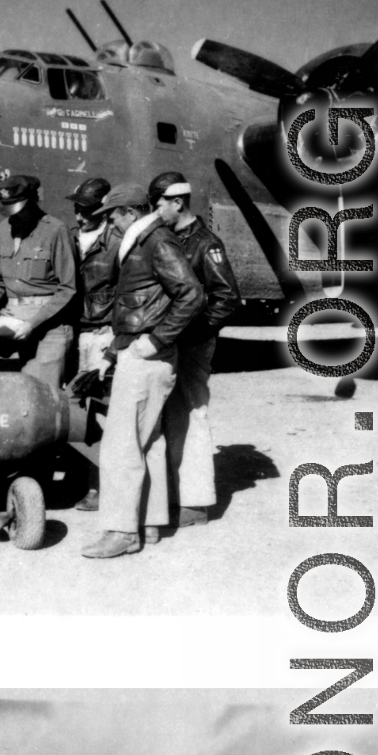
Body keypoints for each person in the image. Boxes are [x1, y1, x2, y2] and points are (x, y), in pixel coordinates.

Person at [81, 183, 205, 560]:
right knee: (147, 441)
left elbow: (192, 294)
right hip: (138, 353)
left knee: (120, 445)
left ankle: (121, 531)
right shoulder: (144, 240)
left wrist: (156, 340)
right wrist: (113, 354)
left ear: (132, 213)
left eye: (113, 216)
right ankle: (149, 523)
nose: (111, 224)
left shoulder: (155, 242)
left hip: (148, 356)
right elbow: (137, 306)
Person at [151, 171, 241, 527]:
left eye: (159, 203)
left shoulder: (206, 242)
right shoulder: (168, 238)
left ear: (177, 202)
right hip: (169, 340)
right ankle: (175, 494)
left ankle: (196, 502)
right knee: (170, 416)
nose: (156, 211)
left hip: (191, 342)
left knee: (192, 413)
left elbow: (227, 298)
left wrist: (195, 332)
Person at [0, 173, 76, 390]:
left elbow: (68, 289)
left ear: (33, 201)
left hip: (48, 324)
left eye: (19, 208)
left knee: (38, 390)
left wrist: (33, 323)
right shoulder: (3, 229)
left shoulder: (55, 230)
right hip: (11, 318)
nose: (14, 217)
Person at [65, 176, 122, 510]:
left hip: (102, 333)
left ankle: (99, 486)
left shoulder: (116, 241)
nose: (79, 216)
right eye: (76, 208)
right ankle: (79, 480)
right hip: (75, 332)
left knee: (101, 411)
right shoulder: (71, 239)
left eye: (86, 210)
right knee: (76, 410)